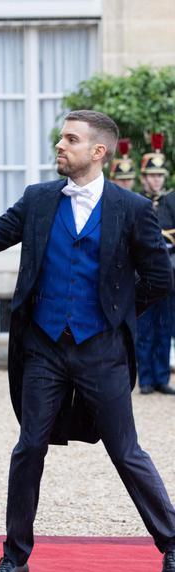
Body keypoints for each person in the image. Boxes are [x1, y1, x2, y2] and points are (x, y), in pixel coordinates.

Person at [0, 110, 175, 572]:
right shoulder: (38, 199)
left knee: (126, 451)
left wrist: (116, 313)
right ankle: (15, 557)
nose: (60, 146)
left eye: (71, 139)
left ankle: (173, 545)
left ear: (98, 151)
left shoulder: (132, 208)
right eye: (60, 138)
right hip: (44, 348)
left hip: (102, 350)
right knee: (28, 448)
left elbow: (160, 279)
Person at [135, 134, 174, 394]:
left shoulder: (172, 200)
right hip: (142, 273)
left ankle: (162, 378)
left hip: (170, 272)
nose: (157, 179)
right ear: (144, 178)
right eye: (152, 175)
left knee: (166, 326)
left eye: (160, 175)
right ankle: (146, 378)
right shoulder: (136, 201)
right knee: (145, 326)